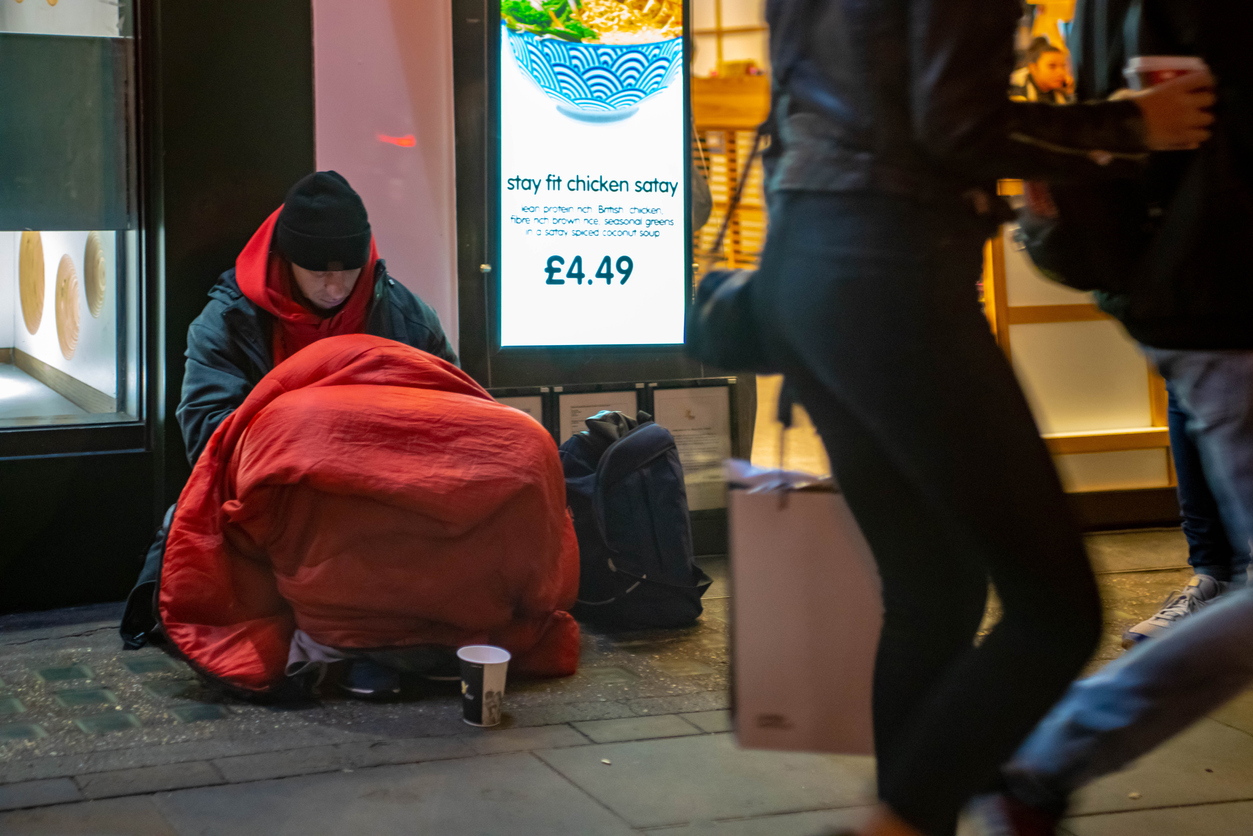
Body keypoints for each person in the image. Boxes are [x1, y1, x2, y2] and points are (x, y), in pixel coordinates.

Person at [750, 2, 1213, 835]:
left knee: (934, 592)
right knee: (1054, 611)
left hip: (806, 267)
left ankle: (910, 819)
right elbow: (956, 124)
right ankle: (894, 825)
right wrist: (1127, 124)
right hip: (893, 275)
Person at [122, 171, 461, 698]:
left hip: (381, 500)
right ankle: (357, 642)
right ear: (286, 260)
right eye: (317, 273)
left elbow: (454, 416)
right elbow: (208, 434)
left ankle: (361, 640)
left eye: (349, 272)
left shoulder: (407, 318)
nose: (335, 287)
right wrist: (311, 447)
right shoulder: (227, 321)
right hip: (275, 502)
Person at [1010, 37, 1075, 103]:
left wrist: (1069, 93)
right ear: (1033, 68)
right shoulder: (1017, 95)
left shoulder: (1060, 93)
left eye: (1063, 66)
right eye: (1052, 66)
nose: (1061, 72)